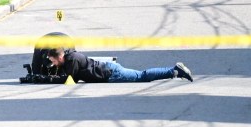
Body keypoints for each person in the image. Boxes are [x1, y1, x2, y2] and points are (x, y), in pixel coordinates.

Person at [46, 47, 193, 83]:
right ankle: (174, 72)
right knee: (142, 75)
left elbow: (70, 79)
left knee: (142, 76)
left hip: (110, 73)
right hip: (109, 70)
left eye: (53, 61)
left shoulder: (72, 60)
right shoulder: (70, 57)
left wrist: (47, 79)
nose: (52, 64)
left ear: (59, 57)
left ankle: (174, 70)